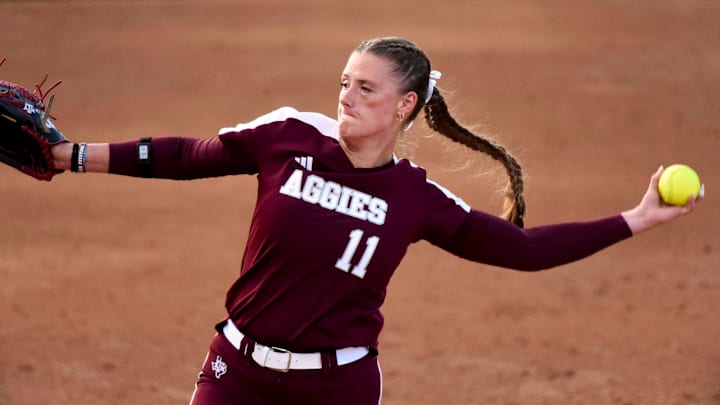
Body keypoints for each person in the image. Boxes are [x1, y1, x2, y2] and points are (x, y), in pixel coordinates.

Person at [49, 37, 700, 404]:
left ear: (405, 106)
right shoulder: (289, 135)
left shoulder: (416, 197)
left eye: (366, 88)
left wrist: (637, 218)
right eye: (344, 82)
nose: (346, 97)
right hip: (236, 372)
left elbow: (521, 250)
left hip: (338, 387)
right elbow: (188, 155)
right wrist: (74, 155)